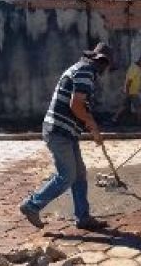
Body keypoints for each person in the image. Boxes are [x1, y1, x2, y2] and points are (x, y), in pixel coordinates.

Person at [19, 43, 112, 230]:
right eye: (104, 64)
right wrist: (92, 125)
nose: (104, 69)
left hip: (66, 131)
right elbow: (75, 105)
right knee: (66, 176)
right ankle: (32, 205)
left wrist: (93, 129)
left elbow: (82, 107)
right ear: (99, 61)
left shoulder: (81, 69)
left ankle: (83, 217)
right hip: (59, 131)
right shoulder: (86, 72)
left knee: (79, 175)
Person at [111, 54, 141, 125]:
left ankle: (114, 119)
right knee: (138, 107)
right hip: (131, 92)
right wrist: (127, 92)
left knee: (123, 106)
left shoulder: (137, 68)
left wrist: (139, 89)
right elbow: (129, 80)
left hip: (131, 91)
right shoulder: (134, 68)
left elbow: (135, 81)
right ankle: (139, 122)